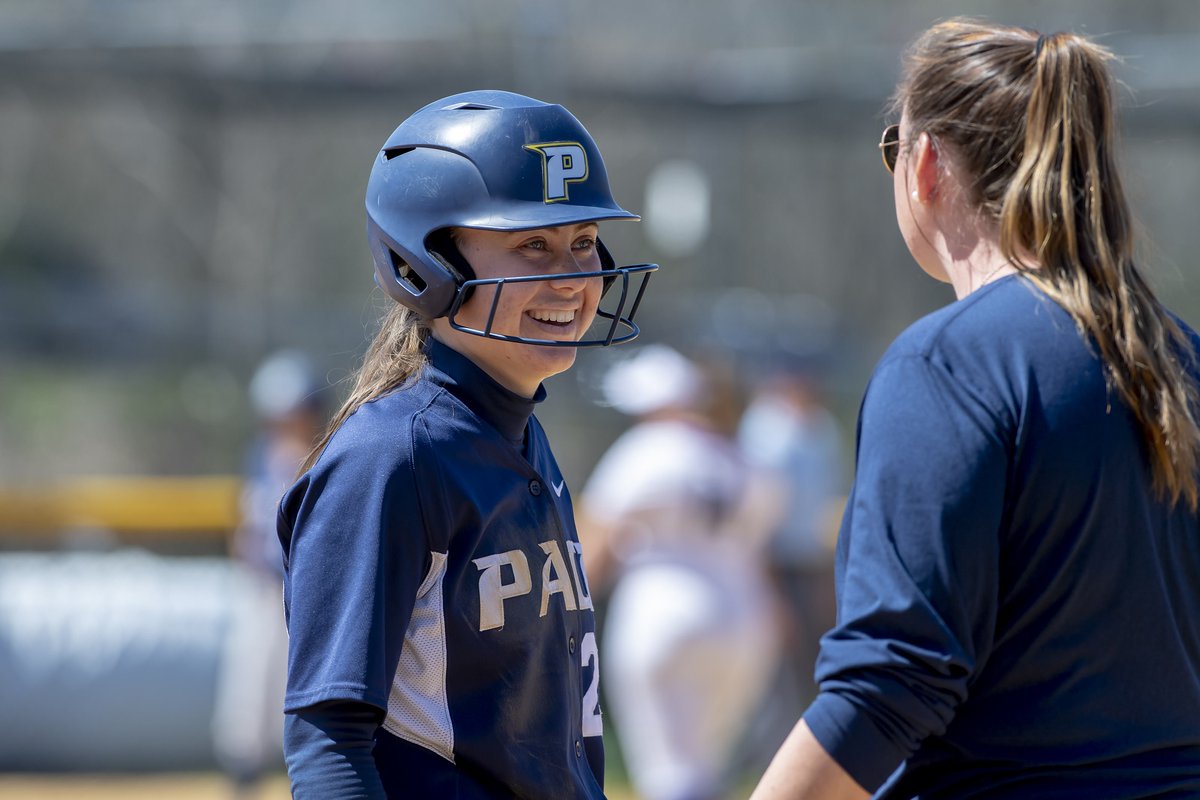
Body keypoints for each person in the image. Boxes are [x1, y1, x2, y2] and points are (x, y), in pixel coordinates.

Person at [752, 19, 1200, 800]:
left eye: (894, 148)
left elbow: (888, 682)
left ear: (924, 164)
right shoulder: (1182, 355)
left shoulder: (948, 364)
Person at [276, 90, 657, 798]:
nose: (573, 277)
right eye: (532, 245)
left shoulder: (520, 435)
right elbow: (327, 738)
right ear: (428, 262)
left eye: (582, 242)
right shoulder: (392, 457)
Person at [578, 344, 780, 800]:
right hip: (745, 620)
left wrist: (556, 622)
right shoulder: (745, 460)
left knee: (670, 773)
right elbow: (761, 554)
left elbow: (596, 538)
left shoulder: (649, 448)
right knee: (706, 769)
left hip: (663, 612)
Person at [212, 349, 326, 798]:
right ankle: (244, 772)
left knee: (292, 686)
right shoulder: (260, 457)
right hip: (261, 588)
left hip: (300, 594)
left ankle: (294, 774)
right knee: (248, 682)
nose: (284, 425)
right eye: (277, 417)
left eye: (293, 414)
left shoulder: (321, 456)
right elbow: (245, 521)